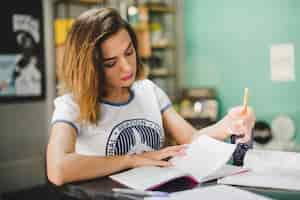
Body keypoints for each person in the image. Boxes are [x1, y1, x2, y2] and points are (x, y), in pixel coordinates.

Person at [46, 8, 255, 186]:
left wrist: (227, 126)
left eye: (129, 53)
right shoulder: (71, 105)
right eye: (111, 63)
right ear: (89, 68)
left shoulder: (148, 90)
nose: (127, 67)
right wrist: (133, 160)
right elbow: (57, 170)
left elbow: (190, 140)